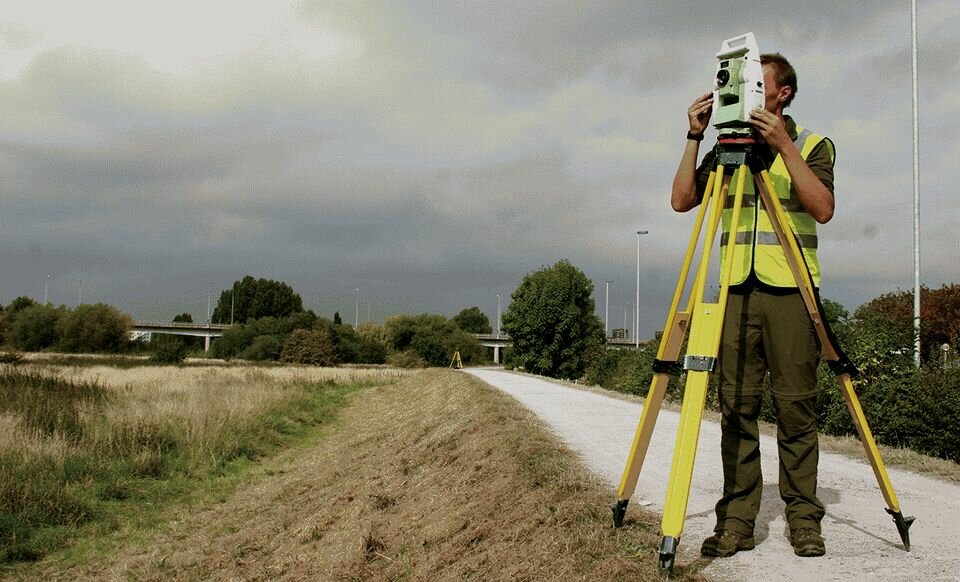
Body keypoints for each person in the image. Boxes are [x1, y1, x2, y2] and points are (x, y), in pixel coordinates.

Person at [670, 53, 835, 558]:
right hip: (736, 292)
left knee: (795, 409)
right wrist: (695, 137)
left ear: (784, 93)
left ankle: (804, 520)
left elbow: (823, 209)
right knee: (737, 410)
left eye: (758, 83)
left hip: (792, 291)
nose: (748, 91)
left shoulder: (812, 144)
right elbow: (681, 200)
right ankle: (737, 522)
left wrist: (782, 145)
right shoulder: (727, 148)